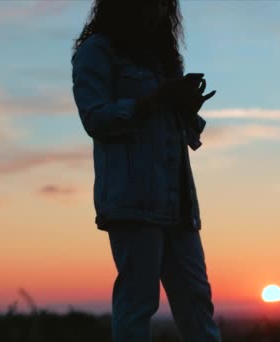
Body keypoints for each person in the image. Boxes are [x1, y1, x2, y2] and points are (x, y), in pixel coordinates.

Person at [70, 0, 221, 341]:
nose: (156, 9)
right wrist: (155, 100)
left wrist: (185, 108)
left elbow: (176, 130)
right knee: (138, 303)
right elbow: (95, 118)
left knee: (197, 302)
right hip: (133, 200)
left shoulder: (161, 57)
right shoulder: (97, 51)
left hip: (178, 202)